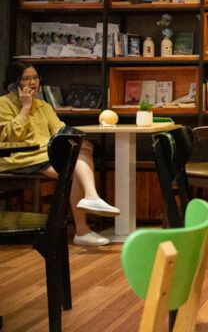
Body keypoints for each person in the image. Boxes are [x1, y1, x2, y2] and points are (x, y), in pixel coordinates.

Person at [0, 62, 120, 246]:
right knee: (73, 165)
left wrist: (77, 140)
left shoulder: (43, 105)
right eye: (26, 78)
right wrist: (25, 107)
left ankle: (87, 211)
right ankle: (85, 221)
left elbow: (59, 130)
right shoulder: (4, 104)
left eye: (35, 77)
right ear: (14, 82)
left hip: (42, 154)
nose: (32, 82)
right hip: (19, 156)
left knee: (78, 154)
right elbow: (11, 136)